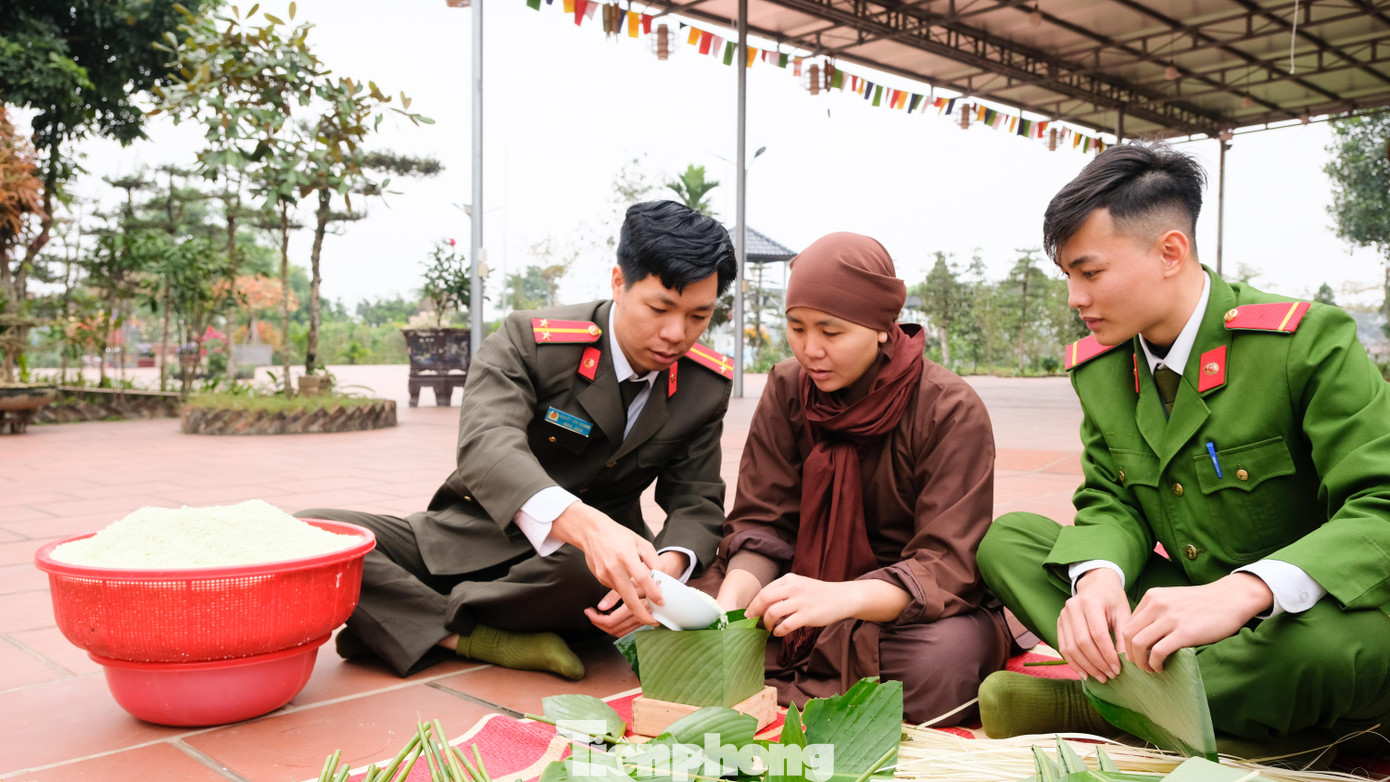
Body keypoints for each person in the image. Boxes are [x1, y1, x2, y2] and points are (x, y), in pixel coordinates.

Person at [977, 141, 1390, 752]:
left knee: (1333, 653)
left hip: (1305, 610)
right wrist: (1098, 580)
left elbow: (1380, 504)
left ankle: (1104, 706)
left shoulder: (1303, 344)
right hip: (1178, 612)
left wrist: (1244, 591)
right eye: (1068, 276)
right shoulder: (1104, 370)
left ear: (1171, 252)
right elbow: (1110, 500)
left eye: (1090, 273)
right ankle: (1214, 712)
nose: (1075, 299)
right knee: (1010, 542)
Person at [300, 200, 738, 678]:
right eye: (660, 308)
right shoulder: (532, 341)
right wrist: (585, 525)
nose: (676, 334)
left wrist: (666, 576)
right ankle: (470, 637)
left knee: (586, 575)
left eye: (699, 317)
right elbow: (486, 445)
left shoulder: (703, 384)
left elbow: (696, 499)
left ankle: (398, 619)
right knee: (308, 532)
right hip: (470, 533)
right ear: (618, 282)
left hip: (579, 572)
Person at [698, 232, 1010, 725]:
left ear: (882, 327)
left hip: (899, 610)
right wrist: (731, 609)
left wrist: (839, 598)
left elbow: (945, 564)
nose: (810, 350)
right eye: (797, 328)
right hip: (792, 591)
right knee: (692, 615)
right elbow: (763, 522)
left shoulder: (949, 409)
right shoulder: (785, 388)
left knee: (942, 660)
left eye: (832, 331)